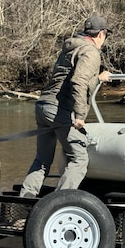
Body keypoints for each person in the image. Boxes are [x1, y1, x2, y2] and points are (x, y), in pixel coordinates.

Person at [19, 13, 112, 197]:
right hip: (59, 110)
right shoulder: (91, 51)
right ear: (101, 34)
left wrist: (98, 78)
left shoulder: (70, 48)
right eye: (106, 36)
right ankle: (59, 203)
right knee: (79, 158)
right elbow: (78, 81)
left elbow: (69, 76)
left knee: (42, 160)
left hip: (43, 105)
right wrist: (80, 115)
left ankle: (24, 203)